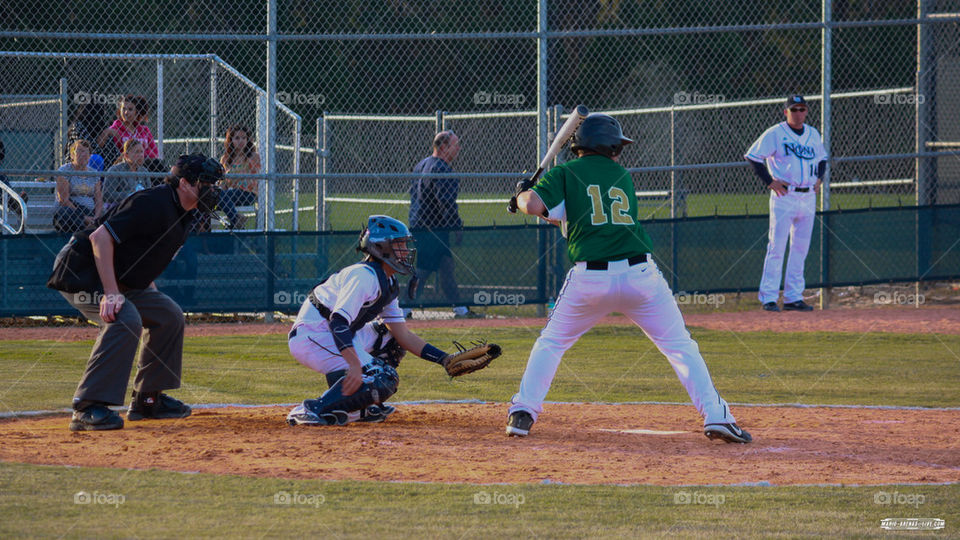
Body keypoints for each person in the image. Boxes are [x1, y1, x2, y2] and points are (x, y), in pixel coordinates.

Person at [506, 113, 752, 444]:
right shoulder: (622, 175)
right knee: (680, 346)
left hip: (590, 281)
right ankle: (718, 415)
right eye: (617, 145)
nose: (619, 151)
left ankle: (523, 413)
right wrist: (532, 201)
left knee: (551, 343)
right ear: (606, 146)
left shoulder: (566, 172)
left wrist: (523, 196)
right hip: (640, 277)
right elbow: (578, 217)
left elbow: (536, 205)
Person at [46, 153, 224, 431]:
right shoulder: (152, 202)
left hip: (114, 275)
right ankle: (87, 406)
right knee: (125, 317)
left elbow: (145, 259)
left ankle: (148, 400)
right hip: (81, 270)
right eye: (207, 183)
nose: (212, 190)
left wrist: (144, 291)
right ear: (186, 184)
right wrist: (111, 292)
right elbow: (99, 237)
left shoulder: (186, 215)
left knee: (168, 314)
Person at [285, 215, 481, 426]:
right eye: (399, 245)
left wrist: (444, 359)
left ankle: (356, 409)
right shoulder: (364, 276)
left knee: (390, 339)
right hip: (313, 334)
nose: (406, 251)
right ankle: (312, 409)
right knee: (382, 377)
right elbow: (338, 322)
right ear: (380, 247)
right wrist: (354, 364)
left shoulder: (387, 280)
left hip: (336, 333)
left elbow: (402, 335)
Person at [745, 95, 827, 312]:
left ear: (806, 111)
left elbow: (822, 159)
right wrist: (770, 182)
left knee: (800, 248)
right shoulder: (776, 133)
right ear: (786, 112)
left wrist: (820, 178)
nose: (798, 113)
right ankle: (769, 297)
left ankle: (793, 297)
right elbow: (753, 156)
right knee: (777, 247)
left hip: (808, 196)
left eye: (802, 109)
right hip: (785, 196)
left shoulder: (812, 133)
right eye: (794, 109)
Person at [408, 130, 478, 319]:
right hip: (433, 228)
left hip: (419, 223)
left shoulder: (420, 165)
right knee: (423, 269)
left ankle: (460, 310)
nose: (458, 149)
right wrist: (456, 226)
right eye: (455, 145)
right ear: (443, 147)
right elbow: (446, 202)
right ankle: (404, 308)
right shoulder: (442, 169)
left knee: (446, 266)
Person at [53, 139, 102, 232]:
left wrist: (96, 217)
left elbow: (98, 199)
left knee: (108, 214)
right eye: (79, 151)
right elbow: (63, 200)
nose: (84, 154)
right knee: (65, 213)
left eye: (86, 152)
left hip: (90, 212)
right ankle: (88, 228)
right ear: (72, 155)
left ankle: (92, 226)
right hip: (72, 211)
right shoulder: (65, 170)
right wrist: (84, 218)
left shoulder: (94, 173)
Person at [97, 94, 160, 167]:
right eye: (123, 109)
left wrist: (137, 155)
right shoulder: (115, 129)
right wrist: (107, 131)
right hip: (125, 166)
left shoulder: (144, 130)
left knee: (157, 164)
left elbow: (155, 153)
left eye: (130, 109)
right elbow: (100, 146)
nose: (126, 112)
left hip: (145, 165)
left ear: (137, 111)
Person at [219, 124, 261, 229]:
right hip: (228, 194)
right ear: (231, 140)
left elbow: (253, 177)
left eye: (244, 138)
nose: (241, 141)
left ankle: (234, 220)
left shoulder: (253, 156)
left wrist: (234, 175)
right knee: (216, 196)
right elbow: (223, 183)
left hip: (247, 193)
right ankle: (236, 222)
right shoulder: (225, 159)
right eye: (237, 138)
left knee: (221, 196)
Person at [103, 139, 148, 210]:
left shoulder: (144, 171)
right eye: (136, 152)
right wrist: (130, 195)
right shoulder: (115, 170)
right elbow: (107, 195)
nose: (141, 155)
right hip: (121, 208)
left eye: (142, 152)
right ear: (126, 155)